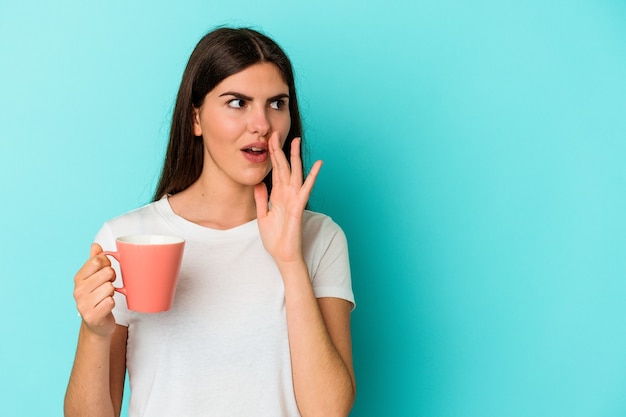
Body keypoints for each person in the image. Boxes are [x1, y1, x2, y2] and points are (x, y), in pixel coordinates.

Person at [64, 27, 355, 417]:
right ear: (196, 118)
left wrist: (289, 261)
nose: (262, 124)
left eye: (277, 103)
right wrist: (95, 332)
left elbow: (328, 411)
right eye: (238, 102)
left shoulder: (320, 237)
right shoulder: (126, 238)